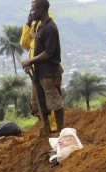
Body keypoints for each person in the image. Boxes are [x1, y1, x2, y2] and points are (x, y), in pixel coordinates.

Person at [21, 0, 64, 136]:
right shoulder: (39, 28)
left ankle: (60, 132)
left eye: (33, 10)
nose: (31, 13)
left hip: (49, 72)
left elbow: (49, 53)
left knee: (54, 103)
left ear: (41, 9)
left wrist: (30, 61)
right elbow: (27, 45)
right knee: (38, 105)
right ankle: (46, 130)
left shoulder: (50, 28)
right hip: (38, 73)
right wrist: (31, 65)